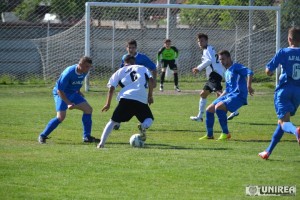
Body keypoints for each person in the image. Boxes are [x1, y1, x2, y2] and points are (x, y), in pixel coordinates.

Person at [258, 27, 300, 160]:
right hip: (298, 92)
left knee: (284, 122)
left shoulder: (283, 52)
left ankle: (296, 131)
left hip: (284, 90)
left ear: (289, 39)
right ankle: (268, 151)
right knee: (281, 122)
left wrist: (270, 73)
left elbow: (268, 70)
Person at [97, 55, 155, 148]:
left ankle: (101, 144)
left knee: (112, 122)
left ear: (124, 62)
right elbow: (151, 81)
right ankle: (143, 126)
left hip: (126, 98)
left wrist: (108, 104)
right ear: (134, 62)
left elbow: (111, 88)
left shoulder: (119, 71)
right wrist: (150, 96)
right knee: (149, 118)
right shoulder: (142, 68)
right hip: (141, 98)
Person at [38, 56, 98, 144]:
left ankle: (87, 137)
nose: (88, 69)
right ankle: (42, 135)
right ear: (80, 64)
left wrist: (78, 91)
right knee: (61, 117)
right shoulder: (69, 72)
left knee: (88, 109)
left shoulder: (84, 71)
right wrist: (68, 103)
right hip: (61, 94)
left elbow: (76, 82)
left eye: (89, 67)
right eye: (86, 66)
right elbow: (59, 90)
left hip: (73, 93)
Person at [199, 50, 254, 141]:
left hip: (238, 95)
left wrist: (249, 86)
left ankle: (226, 133)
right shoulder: (227, 72)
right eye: (220, 60)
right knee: (209, 109)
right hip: (229, 95)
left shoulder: (236, 67)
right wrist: (220, 97)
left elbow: (250, 72)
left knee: (219, 107)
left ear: (229, 58)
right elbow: (228, 89)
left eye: (223, 59)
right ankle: (209, 135)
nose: (221, 61)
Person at [190, 33, 227, 122]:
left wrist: (198, 68)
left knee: (219, 94)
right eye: (199, 41)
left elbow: (209, 60)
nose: (200, 43)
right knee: (203, 94)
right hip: (214, 75)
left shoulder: (207, 49)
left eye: (202, 41)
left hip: (215, 74)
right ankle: (199, 117)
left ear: (206, 41)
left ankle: (233, 110)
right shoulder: (208, 49)